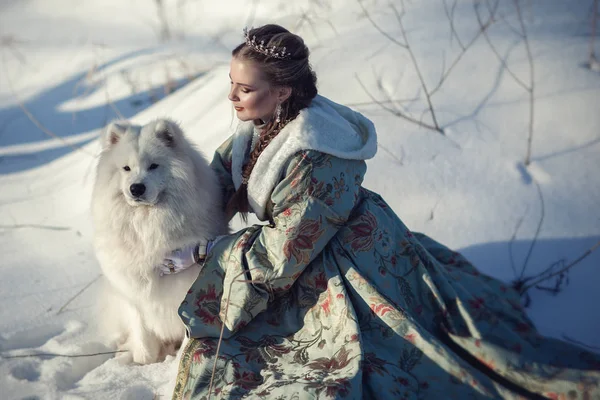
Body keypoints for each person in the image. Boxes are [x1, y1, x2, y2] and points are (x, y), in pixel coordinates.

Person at [166, 25, 600, 399]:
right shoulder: (259, 127)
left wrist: (210, 252)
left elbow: (286, 250)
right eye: (231, 83)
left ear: (282, 91)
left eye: (245, 88)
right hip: (308, 246)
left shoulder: (315, 153)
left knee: (344, 356)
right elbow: (220, 178)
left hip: (346, 256)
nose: (232, 96)